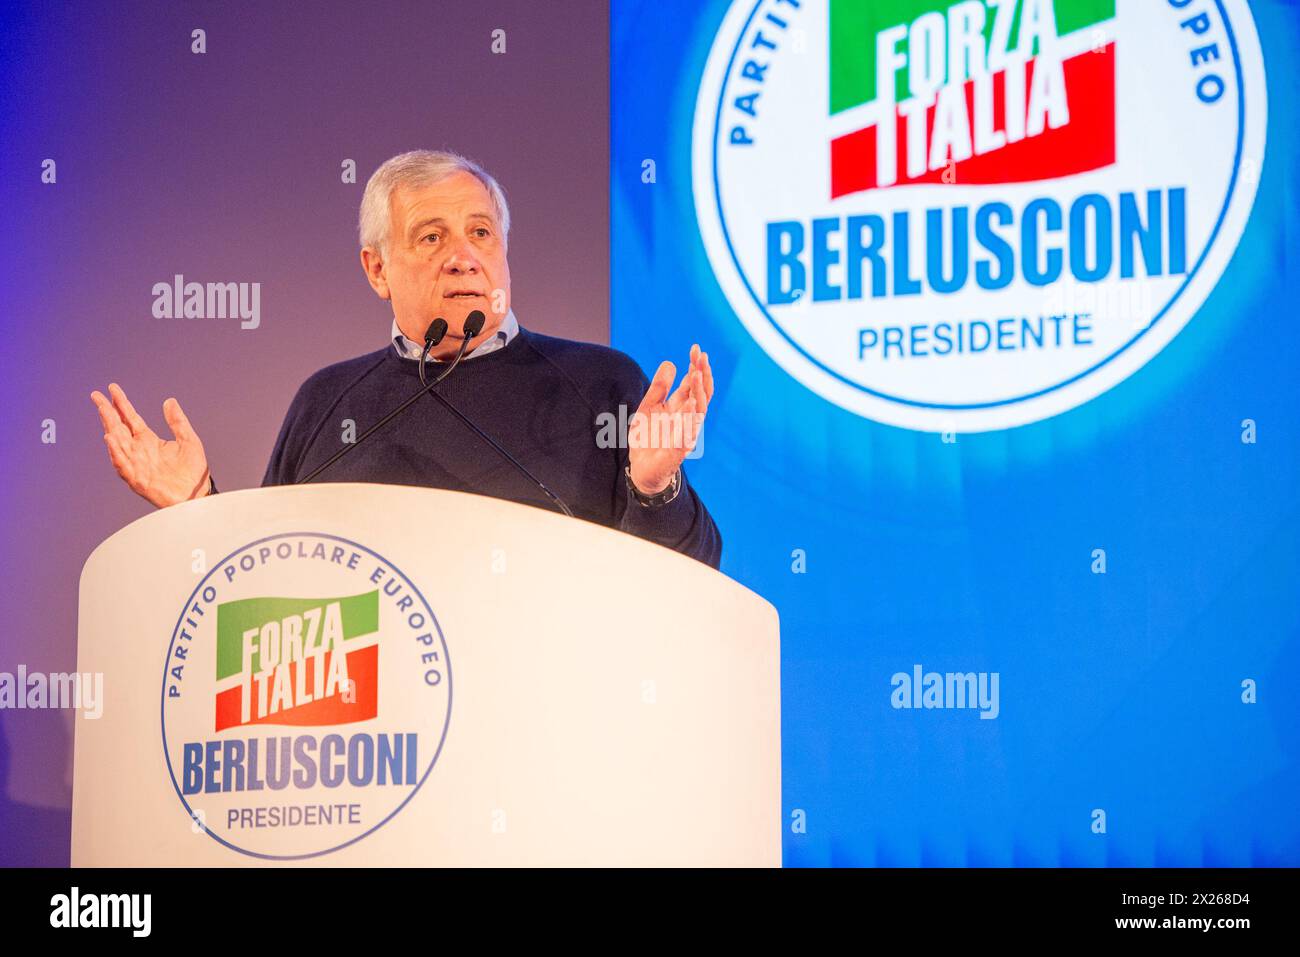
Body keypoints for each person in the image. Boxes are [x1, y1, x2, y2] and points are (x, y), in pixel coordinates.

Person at [90, 149, 722, 567]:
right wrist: (199, 503)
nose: (462, 255)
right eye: (431, 236)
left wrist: (654, 486)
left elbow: (685, 579)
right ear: (376, 268)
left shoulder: (600, 383)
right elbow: (267, 580)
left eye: (481, 233)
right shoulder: (326, 401)